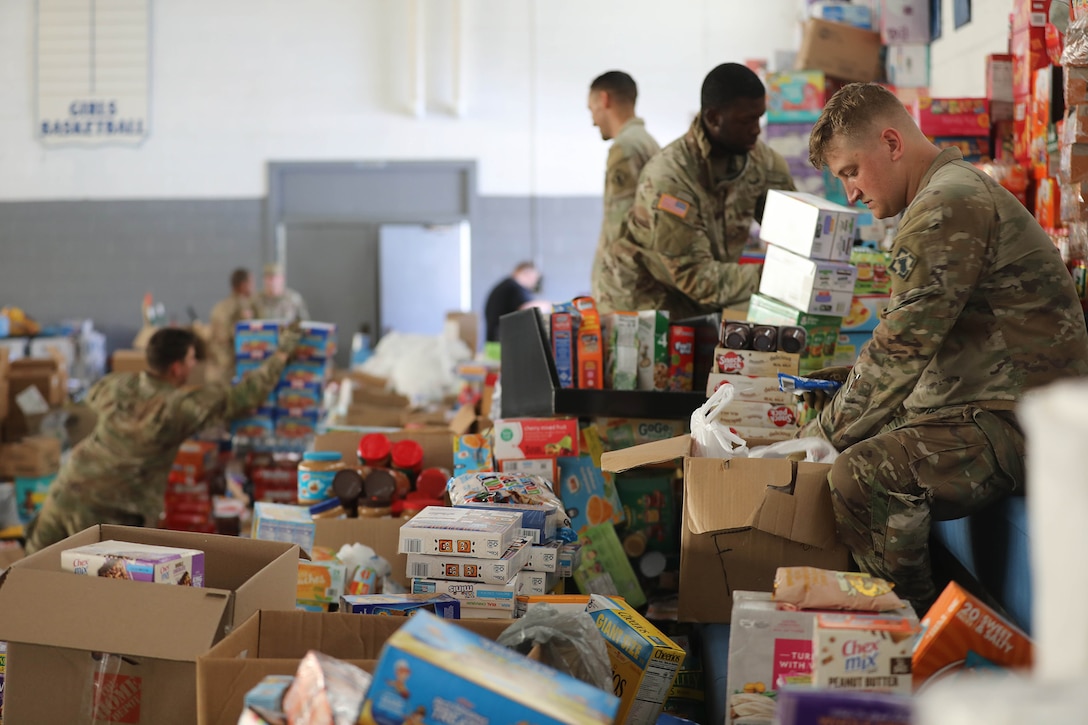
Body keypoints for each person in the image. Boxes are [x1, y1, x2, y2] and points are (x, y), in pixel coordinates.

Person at [799, 82, 1088, 611]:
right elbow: (906, 347)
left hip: (1024, 424)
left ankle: (918, 642)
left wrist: (816, 438)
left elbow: (898, 352)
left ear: (891, 143)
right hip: (985, 408)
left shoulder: (946, 205)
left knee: (858, 476)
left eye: (850, 172)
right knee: (840, 409)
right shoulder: (943, 194)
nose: (851, 195)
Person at [24, 325, 302, 554]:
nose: (194, 364)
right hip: (106, 513)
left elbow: (90, 400)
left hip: (65, 492)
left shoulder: (116, 383)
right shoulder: (179, 407)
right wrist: (281, 354)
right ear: (177, 367)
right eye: (192, 358)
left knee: (27, 581)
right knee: (100, 597)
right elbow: (245, 396)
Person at [597, 62, 795, 318]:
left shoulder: (763, 163)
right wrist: (782, 277)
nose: (756, 129)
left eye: (759, 117)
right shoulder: (669, 179)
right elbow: (695, 277)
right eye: (746, 120)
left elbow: (796, 232)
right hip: (643, 307)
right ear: (713, 118)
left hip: (704, 305)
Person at [587, 71, 660, 301]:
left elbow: (618, 229)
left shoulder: (625, 148)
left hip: (624, 291)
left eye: (592, 109)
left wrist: (608, 288)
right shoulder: (647, 142)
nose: (593, 120)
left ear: (604, 99)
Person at [207, 267, 258, 383]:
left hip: (216, 370)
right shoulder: (241, 306)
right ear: (244, 285)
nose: (254, 287)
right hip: (229, 371)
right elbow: (239, 336)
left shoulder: (221, 306)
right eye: (252, 282)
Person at [483, 262, 550, 343]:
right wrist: (549, 305)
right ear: (527, 273)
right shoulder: (514, 287)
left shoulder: (506, 285)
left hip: (495, 342)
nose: (535, 283)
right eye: (535, 278)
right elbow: (528, 310)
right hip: (504, 343)